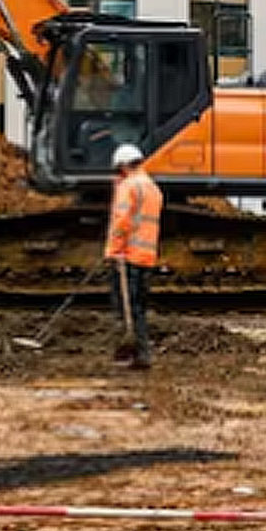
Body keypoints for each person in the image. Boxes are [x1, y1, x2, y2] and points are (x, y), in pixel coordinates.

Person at [104, 143, 162, 370]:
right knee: (138, 307)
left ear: (123, 166)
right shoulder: (152, 187)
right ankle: (140, 352)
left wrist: (113, 250)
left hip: (128, 256)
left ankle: (132, 353)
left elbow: (122, 221)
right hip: (147, 256)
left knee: (124, 306)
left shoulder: (129, 186)